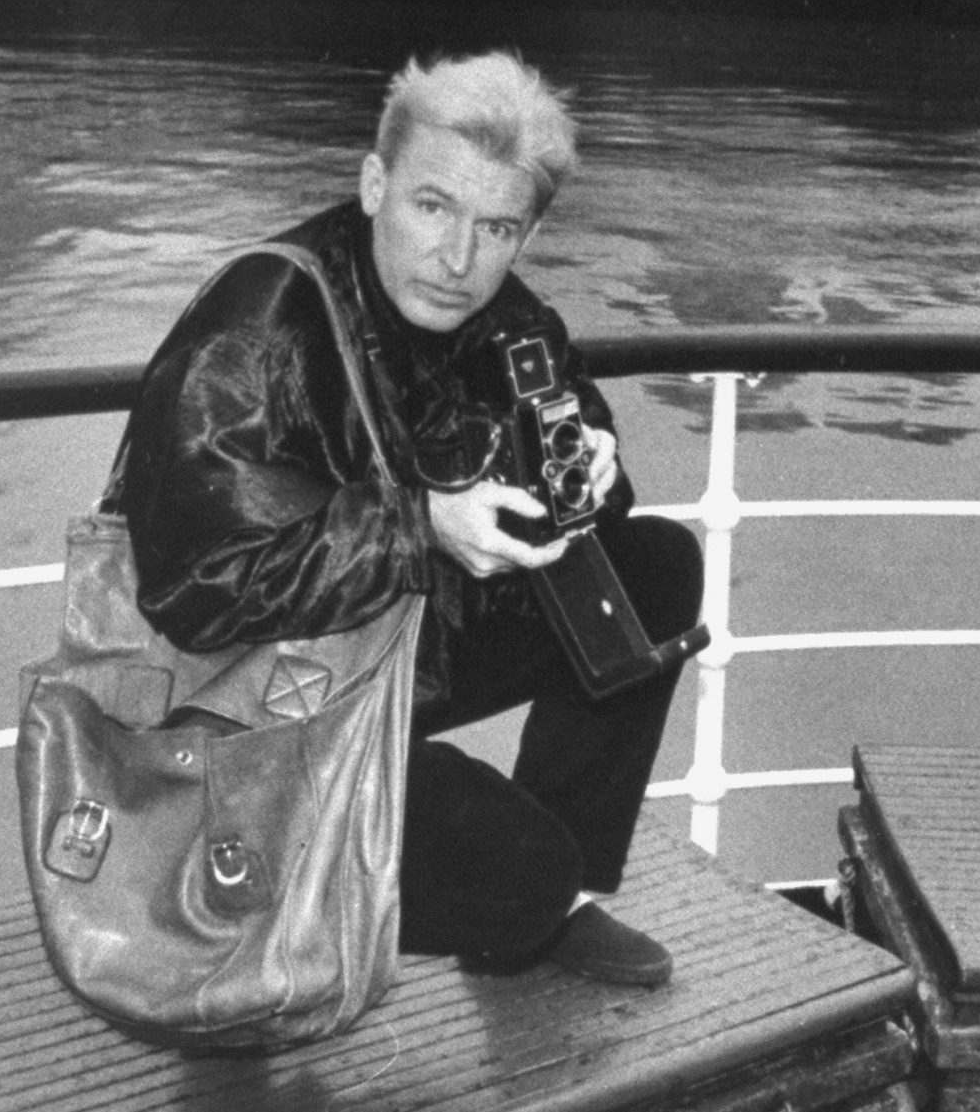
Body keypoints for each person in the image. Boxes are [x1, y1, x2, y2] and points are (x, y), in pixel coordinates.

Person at [108, 50, 704, 987]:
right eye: (433, 206)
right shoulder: (261, 322)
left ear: (528, 231)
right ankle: (256, 907)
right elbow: (193, 587)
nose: (458, 258)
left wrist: (594, 466)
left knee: (658, 568)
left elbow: (571, 433)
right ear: (374, 184)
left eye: (496, 226)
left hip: (393, 654)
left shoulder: (504, 316)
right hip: (244, 713)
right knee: (520, 876)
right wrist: (418, 527)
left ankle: (557, 902)